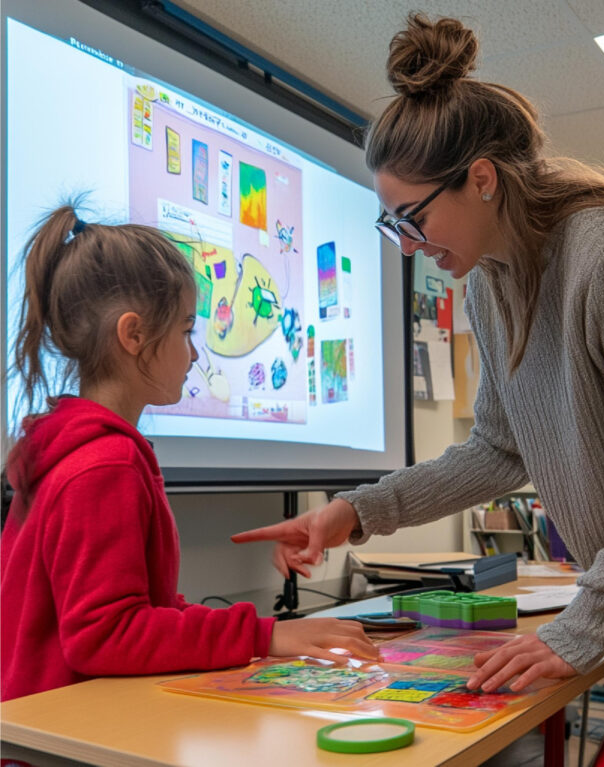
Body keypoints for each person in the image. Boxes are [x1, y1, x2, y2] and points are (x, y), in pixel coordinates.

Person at [231, 13, 604, 767]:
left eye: (412, 218)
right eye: (393, 226)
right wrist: (356, 511)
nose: (409, 245)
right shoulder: (490, 284)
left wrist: (582, 627)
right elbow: (498, 448)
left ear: (481, 178)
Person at [0, 206, 376, 702]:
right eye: (185, 330)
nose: (196, 353)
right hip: (64, 736)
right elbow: (106, 636)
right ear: (133, 335)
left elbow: (147, 610)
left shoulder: (85, 449)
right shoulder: (103, 464)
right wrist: (263, 636)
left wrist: (263, 635)